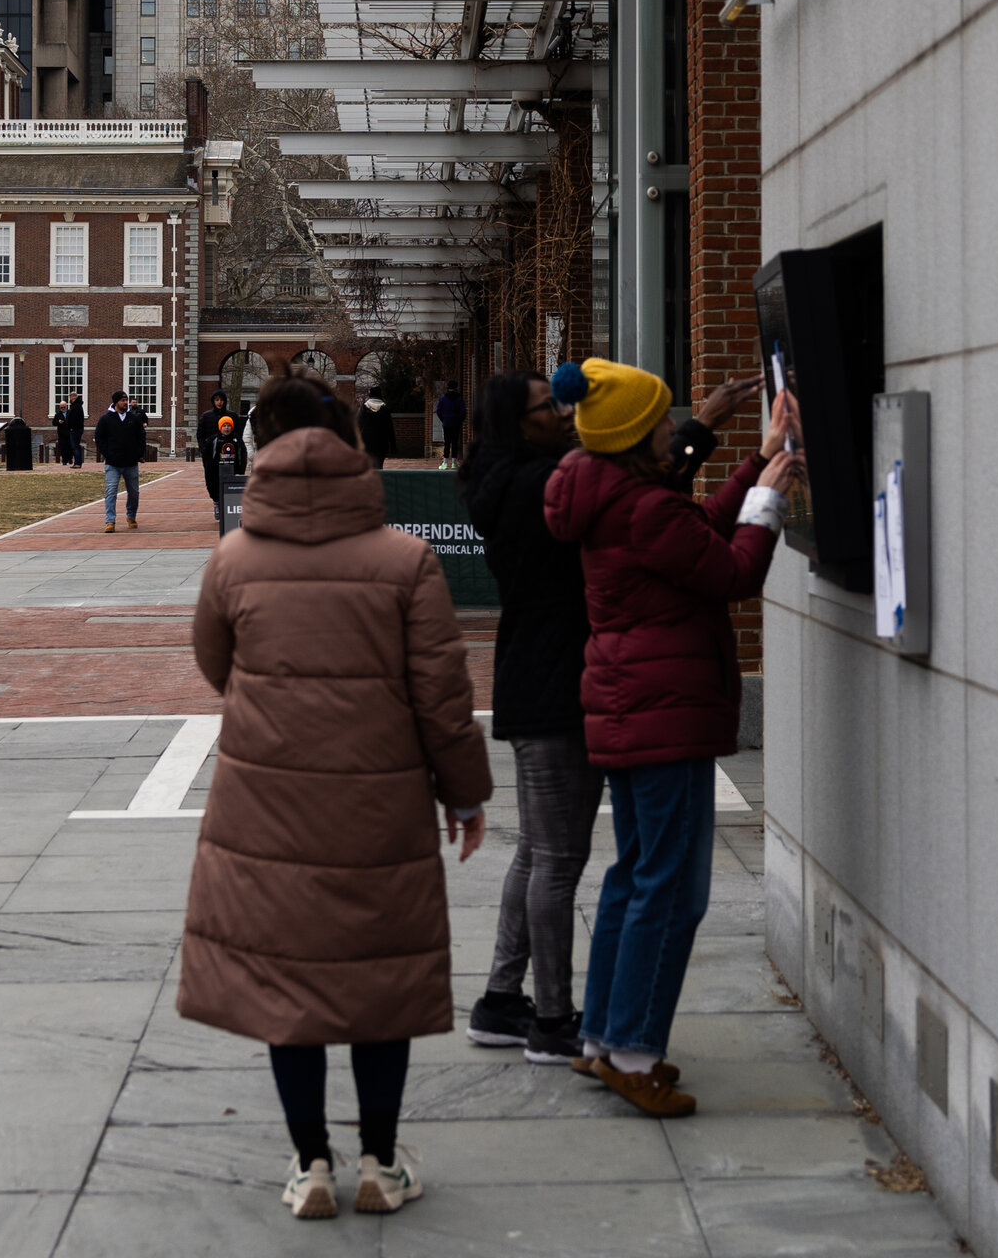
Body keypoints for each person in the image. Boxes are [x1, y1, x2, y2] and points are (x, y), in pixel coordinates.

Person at [179, 362, 493, 1221]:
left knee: (290, 989)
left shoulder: (234, 558)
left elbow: (216, 666)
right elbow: (442, 693)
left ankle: (309, 1161)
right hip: (379, 801)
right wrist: (464, 795)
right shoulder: (407, 560)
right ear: (357, 450)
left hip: (266, 803)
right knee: (376, 982)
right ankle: (379, 1163)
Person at [543, 358, 801, 1118]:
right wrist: (769, 503)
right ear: (634, 436)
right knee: (672, 890)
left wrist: (759, 459)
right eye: (661, 420)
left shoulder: (615, 493)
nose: (672, 427)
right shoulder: (640, 507)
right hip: (665, 712)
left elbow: (695, 532)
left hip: (634, 707)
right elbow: (729, 570)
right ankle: (632, 1051)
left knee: (634, 877)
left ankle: (602, 1037)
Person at [458, 371, 603, 1063]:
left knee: (537, 852)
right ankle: (550, 1019)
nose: (565, 413)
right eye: (551, 407)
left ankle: (501, 1001)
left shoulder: (512, 481)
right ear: (522, 424)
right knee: (559, 859)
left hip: (532, 675)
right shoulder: (538, 485)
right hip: (555, 683)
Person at [94, 390, 147, 532]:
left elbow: (141, 437)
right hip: (112, 463)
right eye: (123, 400)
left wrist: (137, 454)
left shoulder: (134, 419)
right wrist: (108, 454)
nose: (125, 403)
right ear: (116, 402)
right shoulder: (105, 419)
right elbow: (99, 439)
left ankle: (131, 516)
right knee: (111, 491)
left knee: (134, 492)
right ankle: (110, 521)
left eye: (126, 400)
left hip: (131, 463)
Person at [196, 389, 230, 501]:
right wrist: (204, 450)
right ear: (213, 401)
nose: (219, 402)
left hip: (227, 454)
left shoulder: (231, 416)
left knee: (228, 479)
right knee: (211, 481)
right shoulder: (206, 416)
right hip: (210, 455)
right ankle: (216, 501)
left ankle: (225, 504)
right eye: (217, 400)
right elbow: (200, 435)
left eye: (221, 400)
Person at [358, 391, 397, 468]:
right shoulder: (385, 408)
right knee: (379, 465)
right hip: (382, 441)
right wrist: (393, 446)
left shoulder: (364, 407)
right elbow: (390, 428)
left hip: (367, 441)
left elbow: (358, 425)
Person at [435, 382, 466, 464]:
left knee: (447, 442)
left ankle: (445, 462)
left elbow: (438, 410)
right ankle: (454, 463)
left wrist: (443, 419)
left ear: (448, 388)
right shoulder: (459, 398)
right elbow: (463, 411)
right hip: (456, 422)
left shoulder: (443, 398)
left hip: (446, 422)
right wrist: (460, 420)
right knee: (455, 442)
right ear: (456, 388)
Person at [65, 392, 86, 468]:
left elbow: (75, 419)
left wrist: (72, 427)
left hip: (75, 430)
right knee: (76, 446)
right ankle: (77, 462)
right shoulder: (77, 406)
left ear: (73, 398)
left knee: (75, 446)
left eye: (70, 398)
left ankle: (77, 463)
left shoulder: (76, 407)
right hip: (77, 429)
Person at [53, 400, 72, 466]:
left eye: (64, 407)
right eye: (61, 408)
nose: (63, 409)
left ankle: (70, 459)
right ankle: (64, 460)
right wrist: (58, 422)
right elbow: (54, 423)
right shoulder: (58, 414)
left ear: (66, 406)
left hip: (69, 433)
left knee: (70, 447)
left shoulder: (70, 412)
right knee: (63, 447)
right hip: (62, 434)